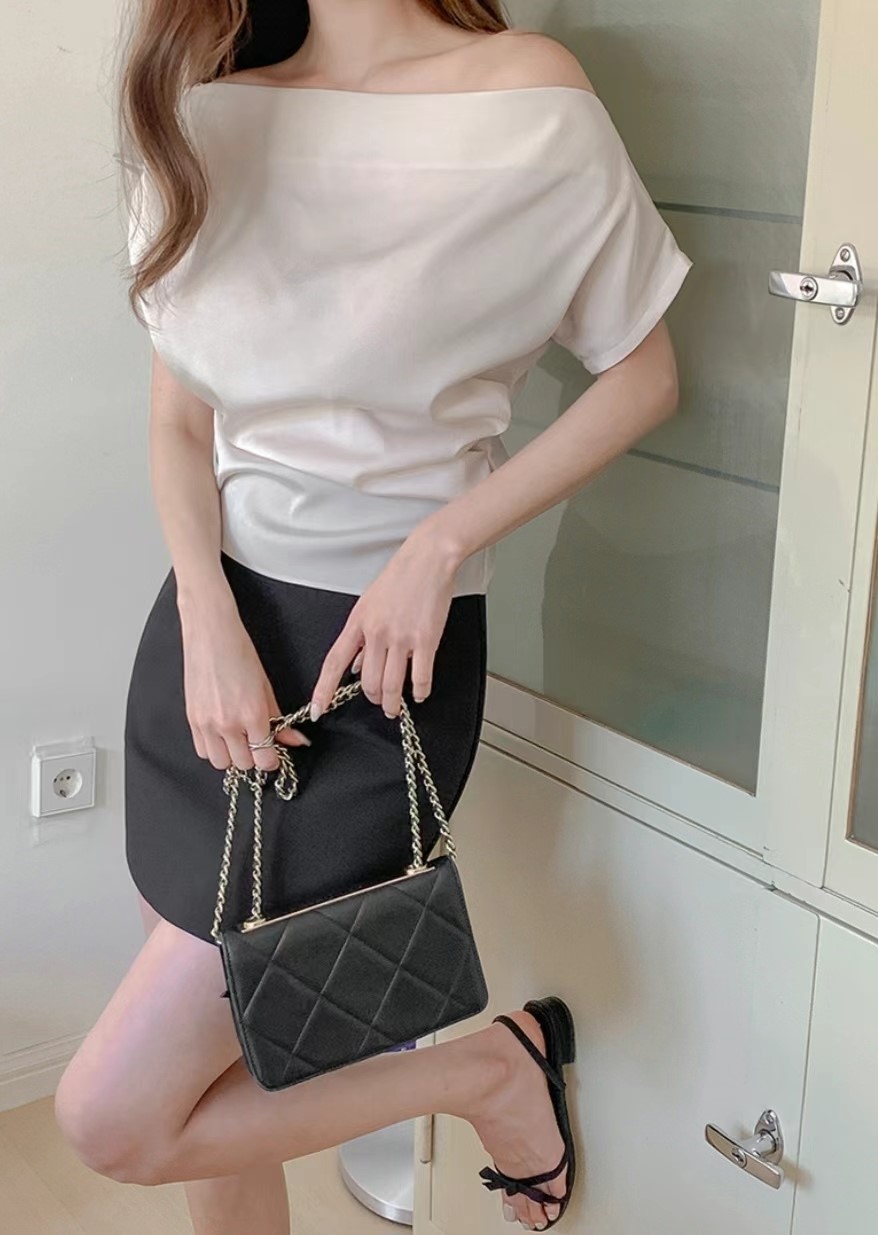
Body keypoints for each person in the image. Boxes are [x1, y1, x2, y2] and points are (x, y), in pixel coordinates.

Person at [53, 3, 692, 1233]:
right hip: (208, 656)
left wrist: (443, 540)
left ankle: (484, 1072)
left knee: (112, 1118)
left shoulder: (528, 96)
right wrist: (205, 616)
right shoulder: (208, 109)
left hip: (378, 668)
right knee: (210, 1092)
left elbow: (643, 373)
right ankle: (482, 1071)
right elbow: (181, 419)